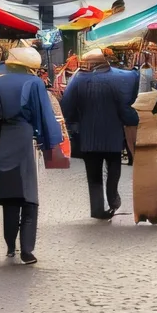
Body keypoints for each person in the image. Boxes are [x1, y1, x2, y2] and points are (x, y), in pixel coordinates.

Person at [0, 46, 64, 264]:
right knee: (29, 196)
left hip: (5, 138)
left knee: (10, 196)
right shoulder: (34, 83)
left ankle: (9, 246)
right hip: (25, 139)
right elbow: (44, 114)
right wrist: (51, 143)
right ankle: (27, 250)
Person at [59, 50, 139, 220]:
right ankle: (113, 198)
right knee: (114, 168)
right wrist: (134, 121)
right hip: (113, 134)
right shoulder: (118, 80)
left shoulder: (79, 80)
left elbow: (66, 106)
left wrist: (74, 123)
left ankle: (97, 209)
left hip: (89, 136)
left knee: (93, 174)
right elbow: (125, 107)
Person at [128, 84, 157, 224]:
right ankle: (155, 212)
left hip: (141, 152)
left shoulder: (136, 116)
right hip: (156, 150)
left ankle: (142, 212)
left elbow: (129, 137)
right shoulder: (154, 119)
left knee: (141, 184)